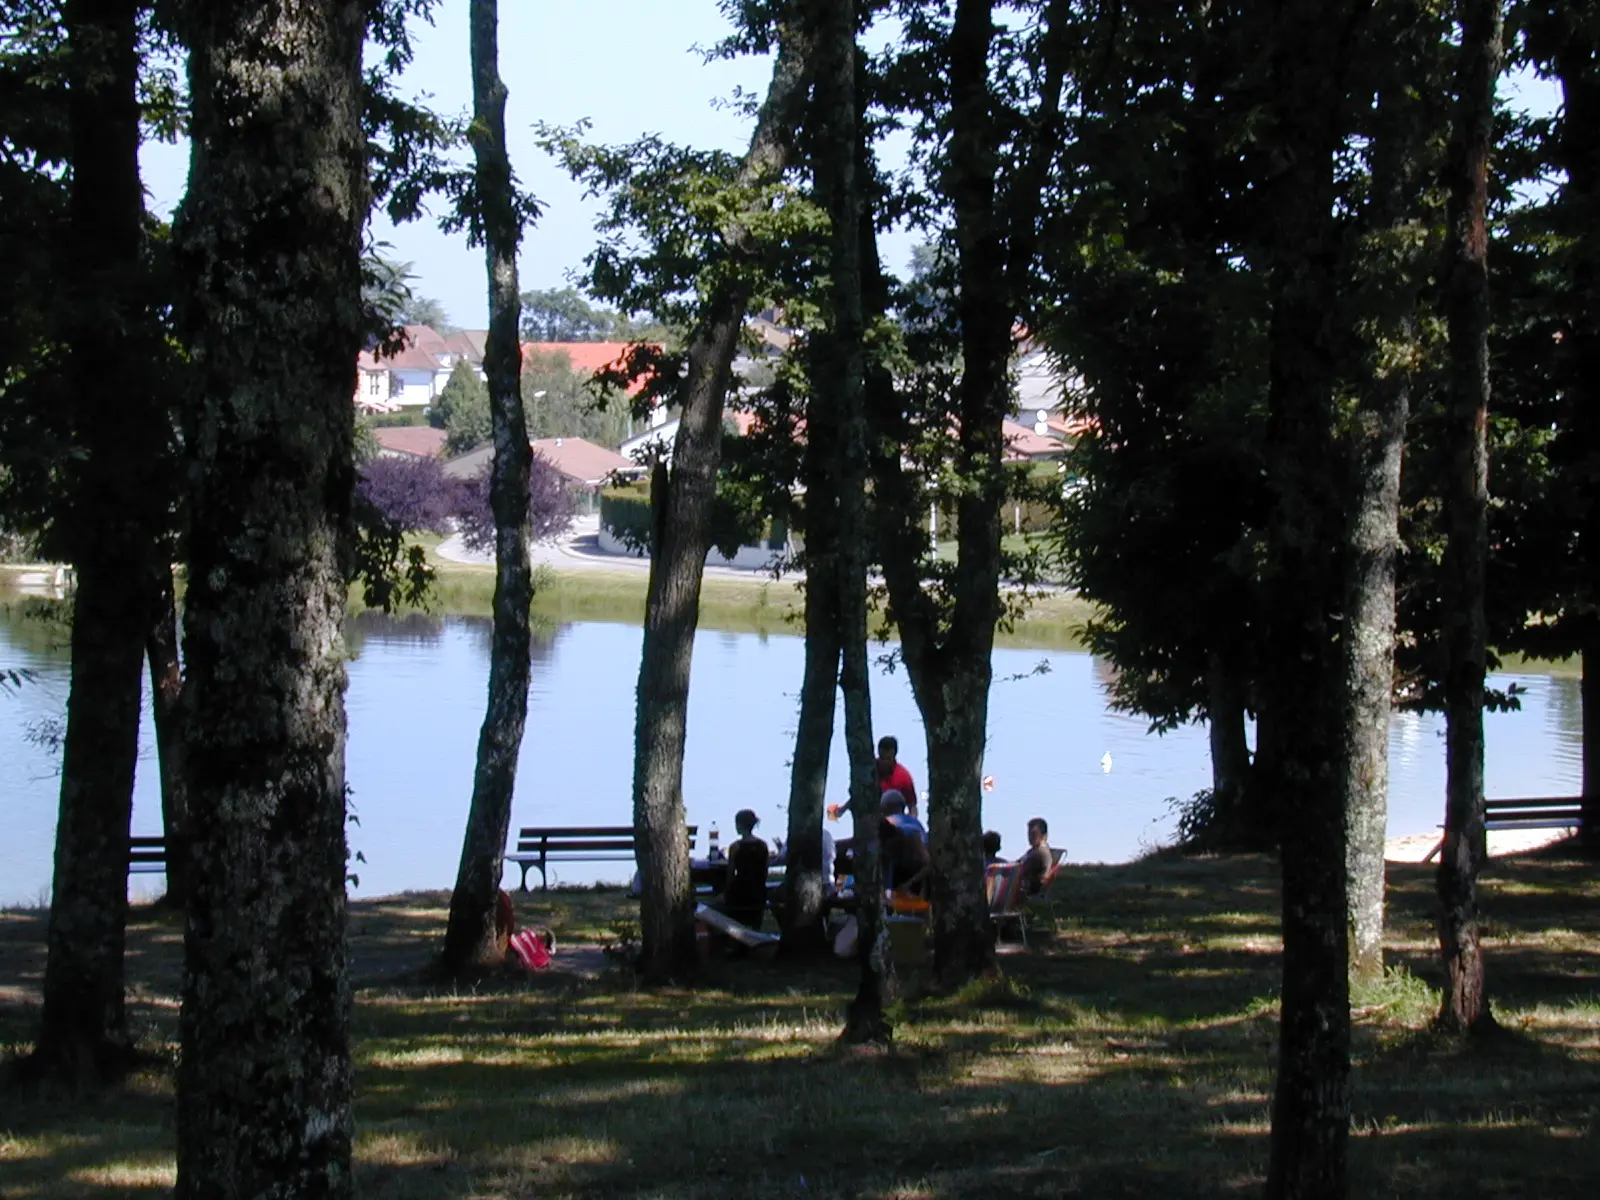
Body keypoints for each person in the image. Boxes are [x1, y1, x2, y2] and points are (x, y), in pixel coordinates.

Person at [721, 808, 770, 931]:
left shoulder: (735, 847)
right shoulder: (763, 845)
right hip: (758, 893)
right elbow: (765, 871)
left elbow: (730, 874)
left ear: (740, 825)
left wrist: (726, 892)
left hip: (740, 893)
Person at [881, 816, 932, 896]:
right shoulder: (885, 845)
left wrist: (908, 884)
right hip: (901, 869)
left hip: (918, 870)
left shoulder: (913, 837)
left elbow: (929, 866)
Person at [875, 736, 919, 815]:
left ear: (894, 755)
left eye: (888, 758)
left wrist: (911, 821)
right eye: (882, 757)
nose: (884, 762)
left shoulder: (904, 777)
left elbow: (912, 806)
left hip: (895, 820)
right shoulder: (869, 771)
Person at [1017, 817, 1052, 897]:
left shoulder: (1040, 853)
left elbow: (1020, 870)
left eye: (1033, 833)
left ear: (1043, 834)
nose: (1029, 836)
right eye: (1028, 833)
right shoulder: (1033, 850)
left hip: (1030, 890)